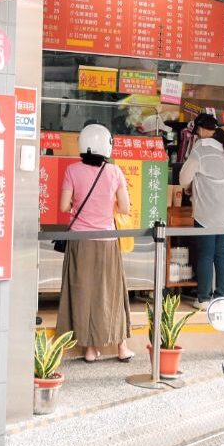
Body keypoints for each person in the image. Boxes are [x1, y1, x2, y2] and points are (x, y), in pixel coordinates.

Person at [56, 124, 135, 363]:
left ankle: (89, 349)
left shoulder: (72, 170)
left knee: (84, 292)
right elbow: (125, 207)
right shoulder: (114, 172)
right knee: (112, 293)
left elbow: (63, 206)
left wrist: (79, 209)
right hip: (107, 242)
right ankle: (122, 347)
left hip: (79, 241)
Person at [178, 113, 224, 310]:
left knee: (206, 253)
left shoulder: (201, 150)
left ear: (202, 130)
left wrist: (193, 186)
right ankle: (222, 296)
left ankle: (204, 298)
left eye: (197, 131)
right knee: (221, 253)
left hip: (206, 211)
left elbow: (183, 178)